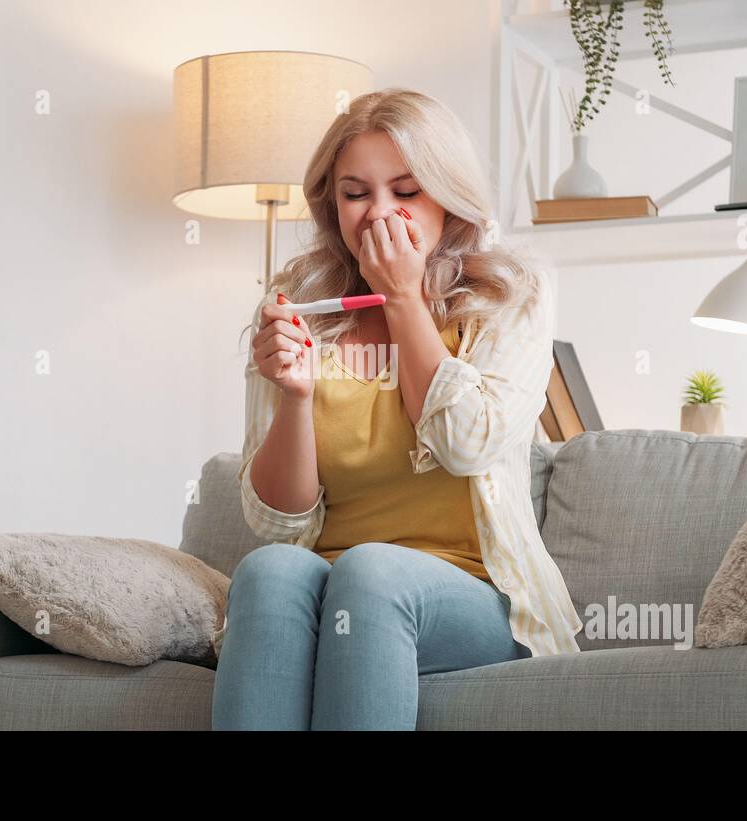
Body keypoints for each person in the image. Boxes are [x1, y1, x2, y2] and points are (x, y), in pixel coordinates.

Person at [211, 88, 583, 731]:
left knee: (372, 570)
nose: (379, 214)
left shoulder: (509, 296)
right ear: (334, 204)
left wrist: (402, 298)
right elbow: (277, 528)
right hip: (324, 587)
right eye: (357, 194)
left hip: (471, 596)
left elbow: (467, 444)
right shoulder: (299, 304)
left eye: (405, 191)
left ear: (447, 196)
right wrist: (295, 399)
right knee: (268, 571)